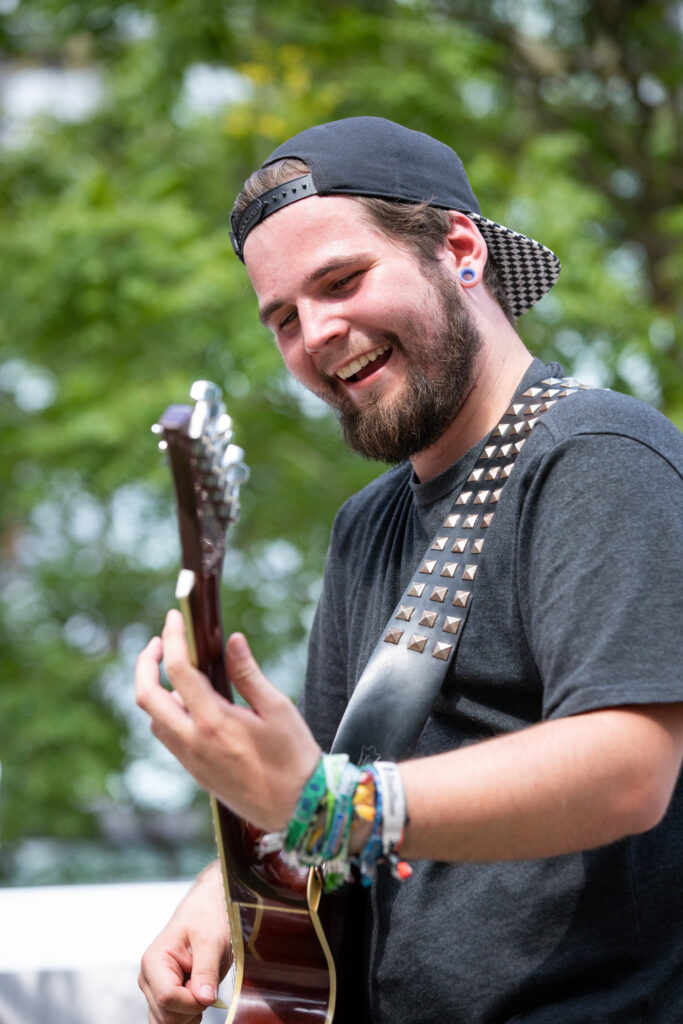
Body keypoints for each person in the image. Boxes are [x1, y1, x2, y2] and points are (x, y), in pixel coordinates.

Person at [135, 117, 683, 1023]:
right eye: (282, 318)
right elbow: (318, 785)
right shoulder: (368, 525)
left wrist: (329, 803)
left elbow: (629, 764)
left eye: (341, 280)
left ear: (459, 249)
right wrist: (228, 888)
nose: (317, 333)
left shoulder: (596, 458)